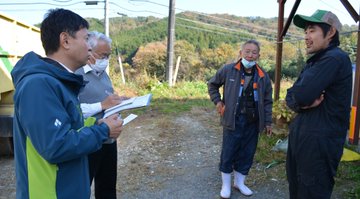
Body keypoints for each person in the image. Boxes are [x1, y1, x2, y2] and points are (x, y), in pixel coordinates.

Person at [11, 9, 123, 199]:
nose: (90, 47)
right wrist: (102, 131)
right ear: (65, 40)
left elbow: (70, 128)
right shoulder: (39, 85)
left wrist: (98, 124)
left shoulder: (59, 82)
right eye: (86, 38)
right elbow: (56, 146)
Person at [286, 10, 352, 199]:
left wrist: (298, 99)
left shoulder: (334, 59)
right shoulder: (316, 61)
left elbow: (301, 94)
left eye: (312, 30)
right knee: (297, 189)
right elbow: (292, 96)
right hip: (303, 137)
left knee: (311, 191)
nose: (306, 37)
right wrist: (299, 103)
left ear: (330, 32)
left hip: (319, 142)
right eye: (305, 32)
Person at [208, 39, 273, 198]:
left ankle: (240, 183)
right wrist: (218, 101)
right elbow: (212, 84)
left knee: (247, 152)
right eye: (247, 52)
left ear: (259, 55)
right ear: (241, 53)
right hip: (233, 119)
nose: (250, 55)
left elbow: (267, 101)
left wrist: (268, 122)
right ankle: (226, 185)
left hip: (253, 121)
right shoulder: (229, 69)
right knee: (229, 151)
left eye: (254, 52)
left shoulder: (263, 76)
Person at [75, 31, 125, 199]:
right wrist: (102, 105)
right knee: (84, 184)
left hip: (109, 138)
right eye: (103, 55)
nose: (106, 60)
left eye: (108, 55)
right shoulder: (76, 75)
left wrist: (121, 102)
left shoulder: (103, 75)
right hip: (89, 139)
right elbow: (73, 110)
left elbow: (108, 99)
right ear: (89, 51)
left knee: (108, 185)